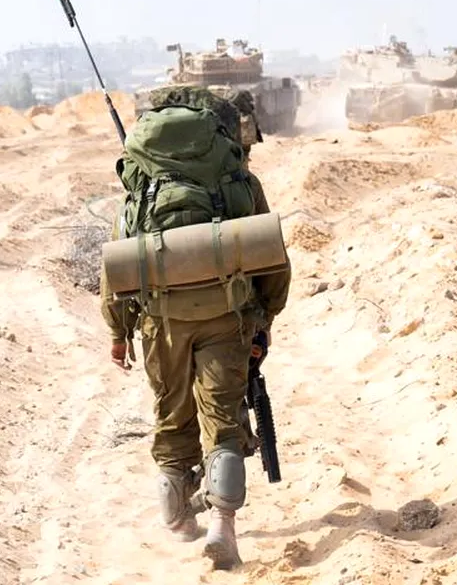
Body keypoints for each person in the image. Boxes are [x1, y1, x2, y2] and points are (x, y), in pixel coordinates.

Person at [99, 87, 291, 570]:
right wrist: (265, 316)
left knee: (171, 415)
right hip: (226, 317)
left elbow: (116, 268)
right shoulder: (237, 179)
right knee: (222, 417)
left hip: (161, 323)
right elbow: (271, 256)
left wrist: (119, 333)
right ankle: (223, 526)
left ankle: (178, 521)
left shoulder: (140, 185)